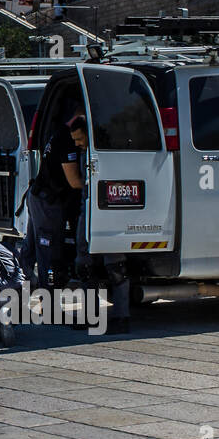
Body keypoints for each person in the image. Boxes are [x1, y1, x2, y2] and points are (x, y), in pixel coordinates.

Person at [65, 119, 130, 335]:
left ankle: (122, 317)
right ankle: (91, 315)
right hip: (88, 208)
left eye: (80, 138)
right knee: (84, 265)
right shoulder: (85, 151)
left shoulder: (109, 150)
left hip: (108, 209)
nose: (77, 144)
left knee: (116, 267)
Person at [26, 107, 84, 289]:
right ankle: (48, 297)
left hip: (40, 196)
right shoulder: (67, 138)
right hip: (47, 200)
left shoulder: (59, 132)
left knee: (32, 248)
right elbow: (74, 182)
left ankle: (21, 288)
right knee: (49, 253)